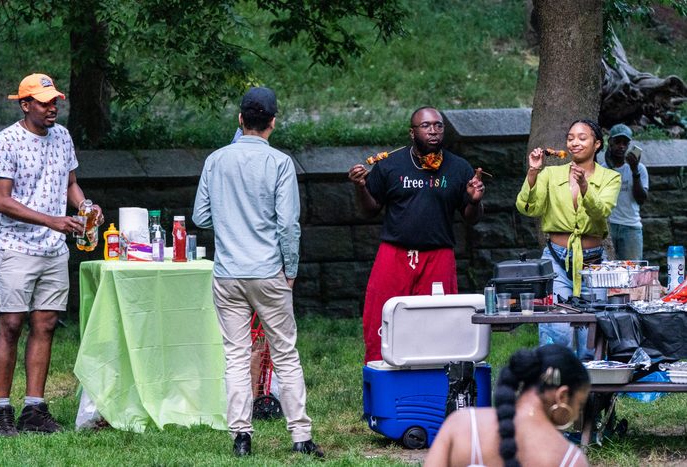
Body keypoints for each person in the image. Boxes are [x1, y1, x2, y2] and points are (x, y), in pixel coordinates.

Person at [192, 87, 323, 458]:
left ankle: (241, 437)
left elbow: (201, 216)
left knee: (235, 354)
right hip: (268, 271)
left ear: (239, 120)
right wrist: (291, 269)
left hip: (228, 271)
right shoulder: (280, 163)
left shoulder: (216, 160)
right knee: (285, 352)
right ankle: (300, 436)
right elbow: (288, 225)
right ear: (273, 122)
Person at [0, 73, 103, 435]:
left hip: (53, 249)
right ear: (25, 105)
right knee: (11, 325)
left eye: (54, 101)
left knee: (46, 325)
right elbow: (1, 200)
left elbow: (70, 184)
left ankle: (34, 409)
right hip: (15, 246)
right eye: (44, 102)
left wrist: (86, 206)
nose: (52, 107)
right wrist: (51, 220)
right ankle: (0, 409)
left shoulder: (63, 137)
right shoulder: (7, 141)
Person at [348, 106, 486, 364]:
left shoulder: (458, 167)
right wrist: (361, 188)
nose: (433, 130)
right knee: (381, 315)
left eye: (438, 125)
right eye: (426, 126)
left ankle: (436, 375)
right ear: (412, 133)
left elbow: (471, 218)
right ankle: (381, 373)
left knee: (440, 321)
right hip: (395, 254)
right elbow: (370, 211)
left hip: (438, 256)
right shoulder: (390, 164)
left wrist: (475, 201)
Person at [516, 119, 621, 359]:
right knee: (556, 329)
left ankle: (591, 393)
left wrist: (585, 186)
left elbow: (601, 211)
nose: (574, 142)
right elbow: (528, 207)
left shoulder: (610, 178)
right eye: (571, 137)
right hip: (556, 257)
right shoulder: (550, 174)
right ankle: (553, 387)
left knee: (591, 335)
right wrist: (533, 172)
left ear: (596, 144)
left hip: (592, 263)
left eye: (582, 138)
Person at [425, 344, 590, 467]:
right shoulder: (569, 459)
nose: (576, 414)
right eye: (579, 404)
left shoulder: (462, 424)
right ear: (562, 396)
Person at [599, 124, 649, 260]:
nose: (621, 146)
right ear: (610, 143)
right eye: (617, 142)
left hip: (631, 227)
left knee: (632, 272)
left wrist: (635, 172)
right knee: (607, 273)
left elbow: (641, 199)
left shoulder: (640, 169)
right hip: (608, 227)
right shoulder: (603, 170)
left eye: (625, 143)